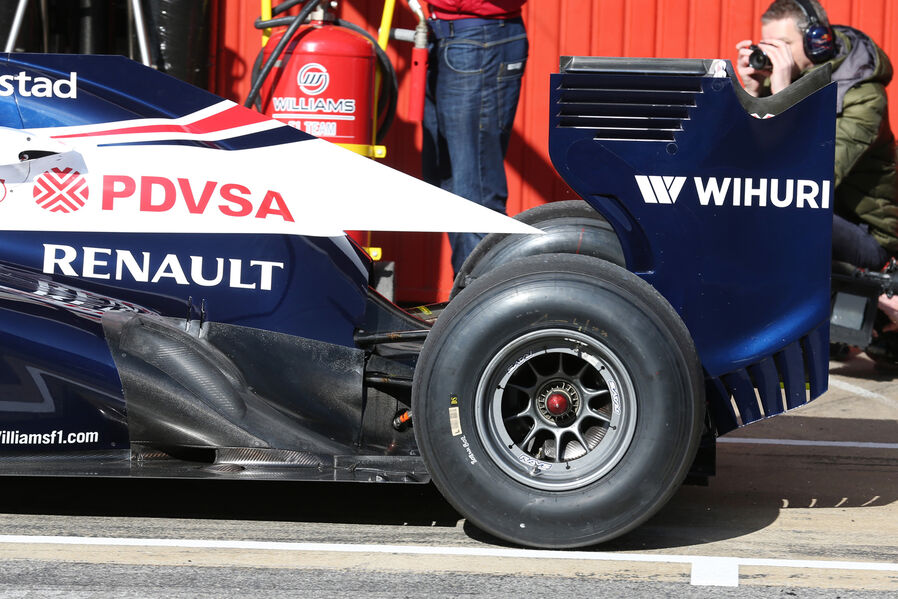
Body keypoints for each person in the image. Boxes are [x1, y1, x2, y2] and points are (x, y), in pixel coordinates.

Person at [736, 0, 897, 273]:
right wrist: (750, 93)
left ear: (817, 43)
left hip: (867, 234)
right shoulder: (778, 83)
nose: (775, 55)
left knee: (778, 208)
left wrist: (784, 96)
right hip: (813, 215)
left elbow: (809, 183)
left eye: (783, 44)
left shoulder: (864, 96)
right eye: (768, 45)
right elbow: (738, 160)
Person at [422, 0, 528, 276]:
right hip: (446, 35)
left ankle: (485, 296)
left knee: (475, 187)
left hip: (479, 39)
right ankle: (466, 291)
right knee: (446, 180)